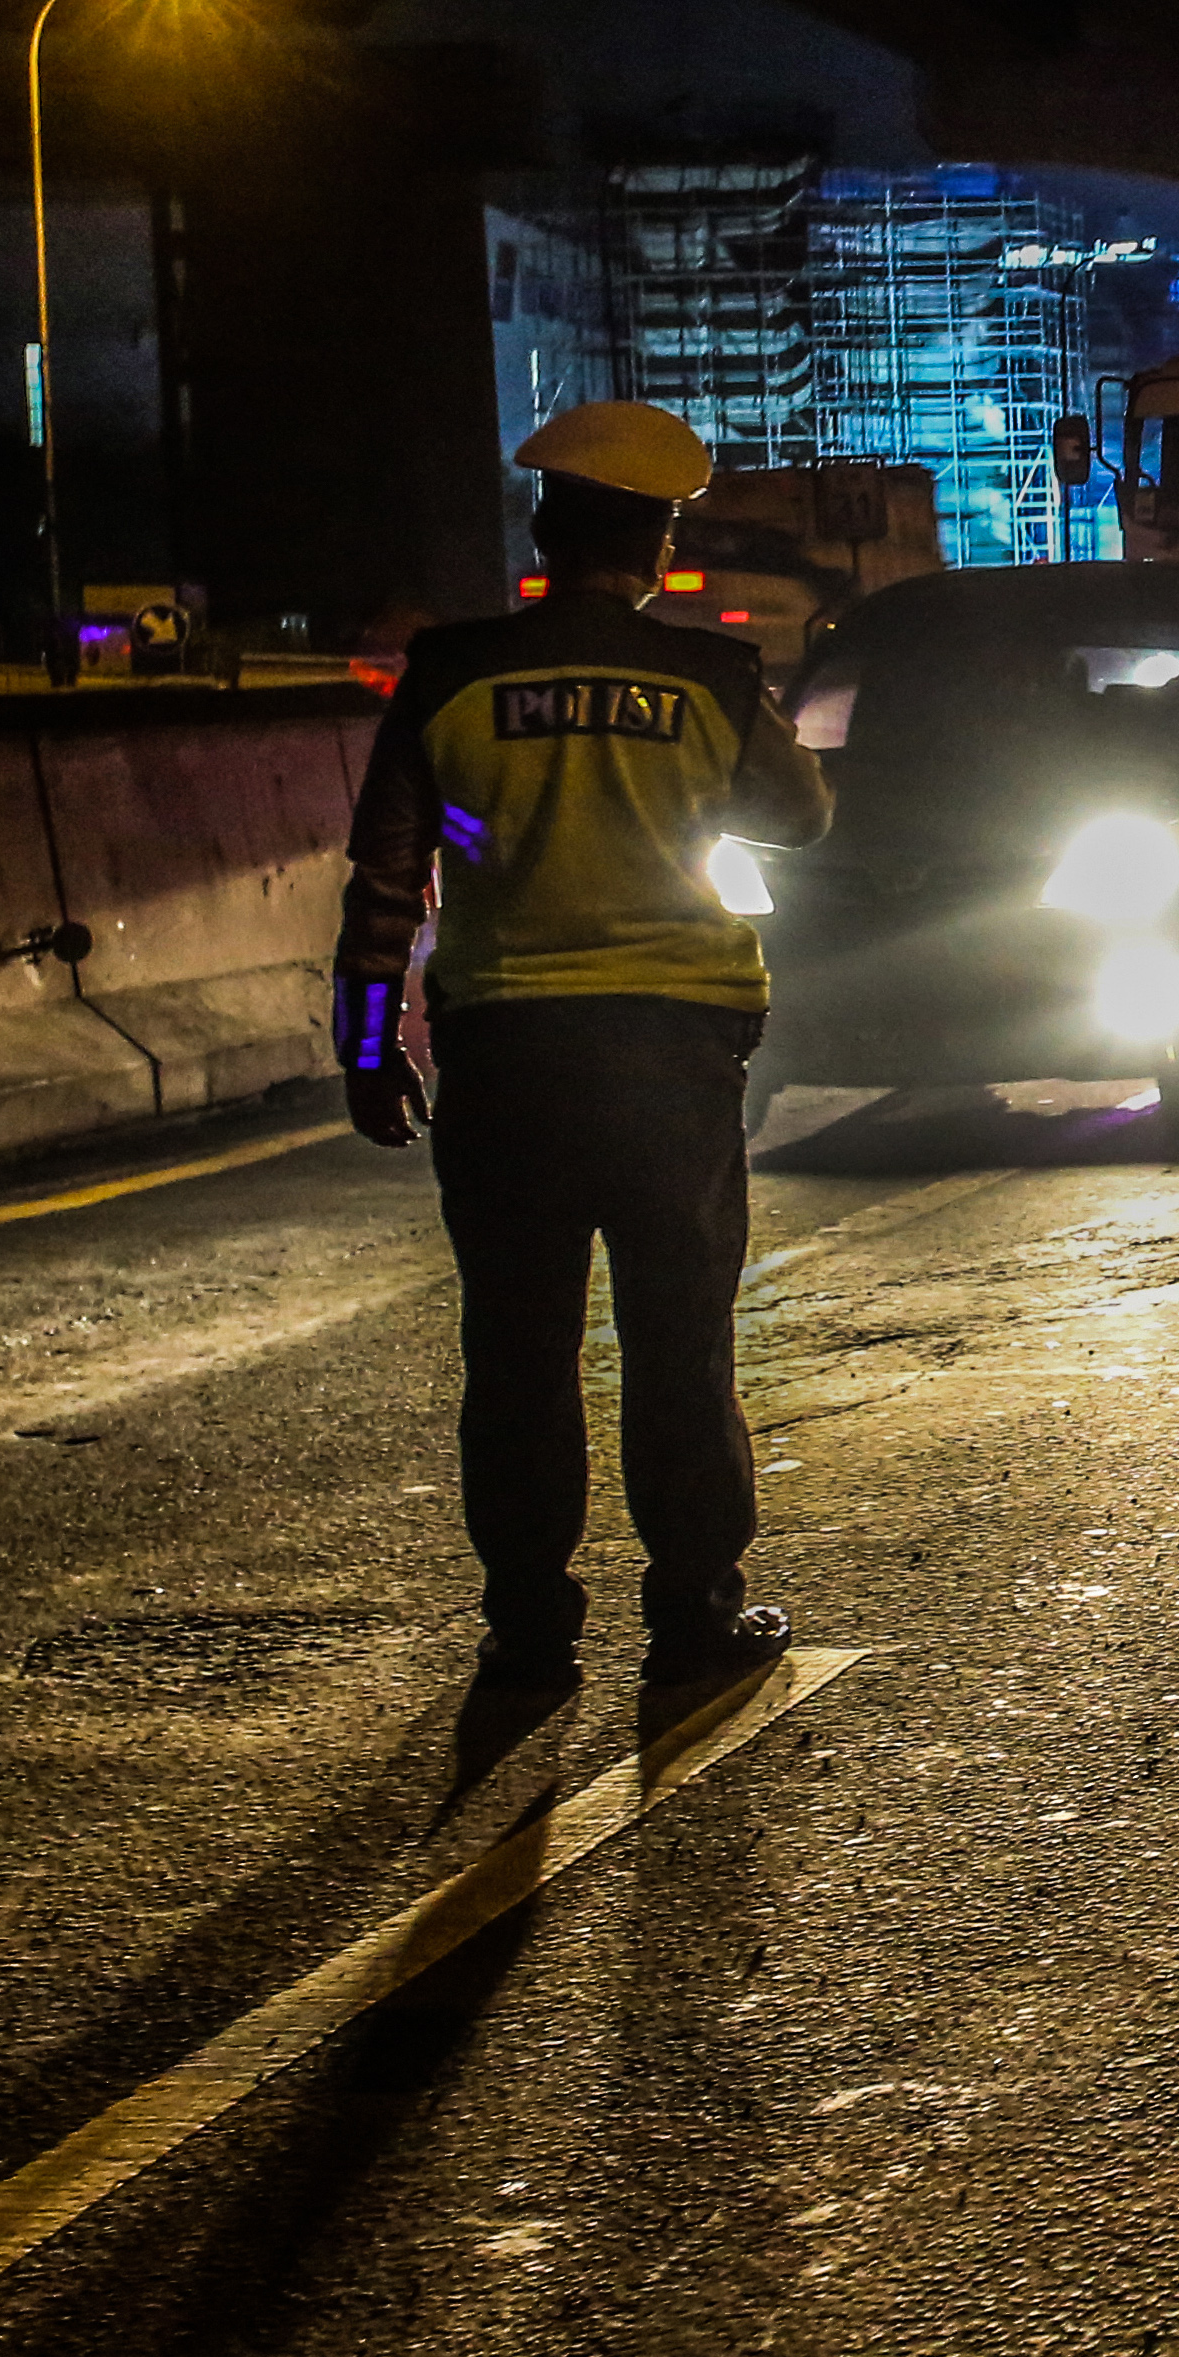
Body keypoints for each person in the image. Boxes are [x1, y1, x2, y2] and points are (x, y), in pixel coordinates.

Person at [332, 401, 835, 1695]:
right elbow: (802, 813)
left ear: (545, 530)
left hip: (505, 1056)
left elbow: (386, 883)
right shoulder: (710, 678)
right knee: (680, 1345)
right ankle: (695, 1613)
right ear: (661, 541)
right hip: (673, 1056)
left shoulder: (448, 673)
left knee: (515, 1353)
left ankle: (530, 1629)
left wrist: (366, 1047)